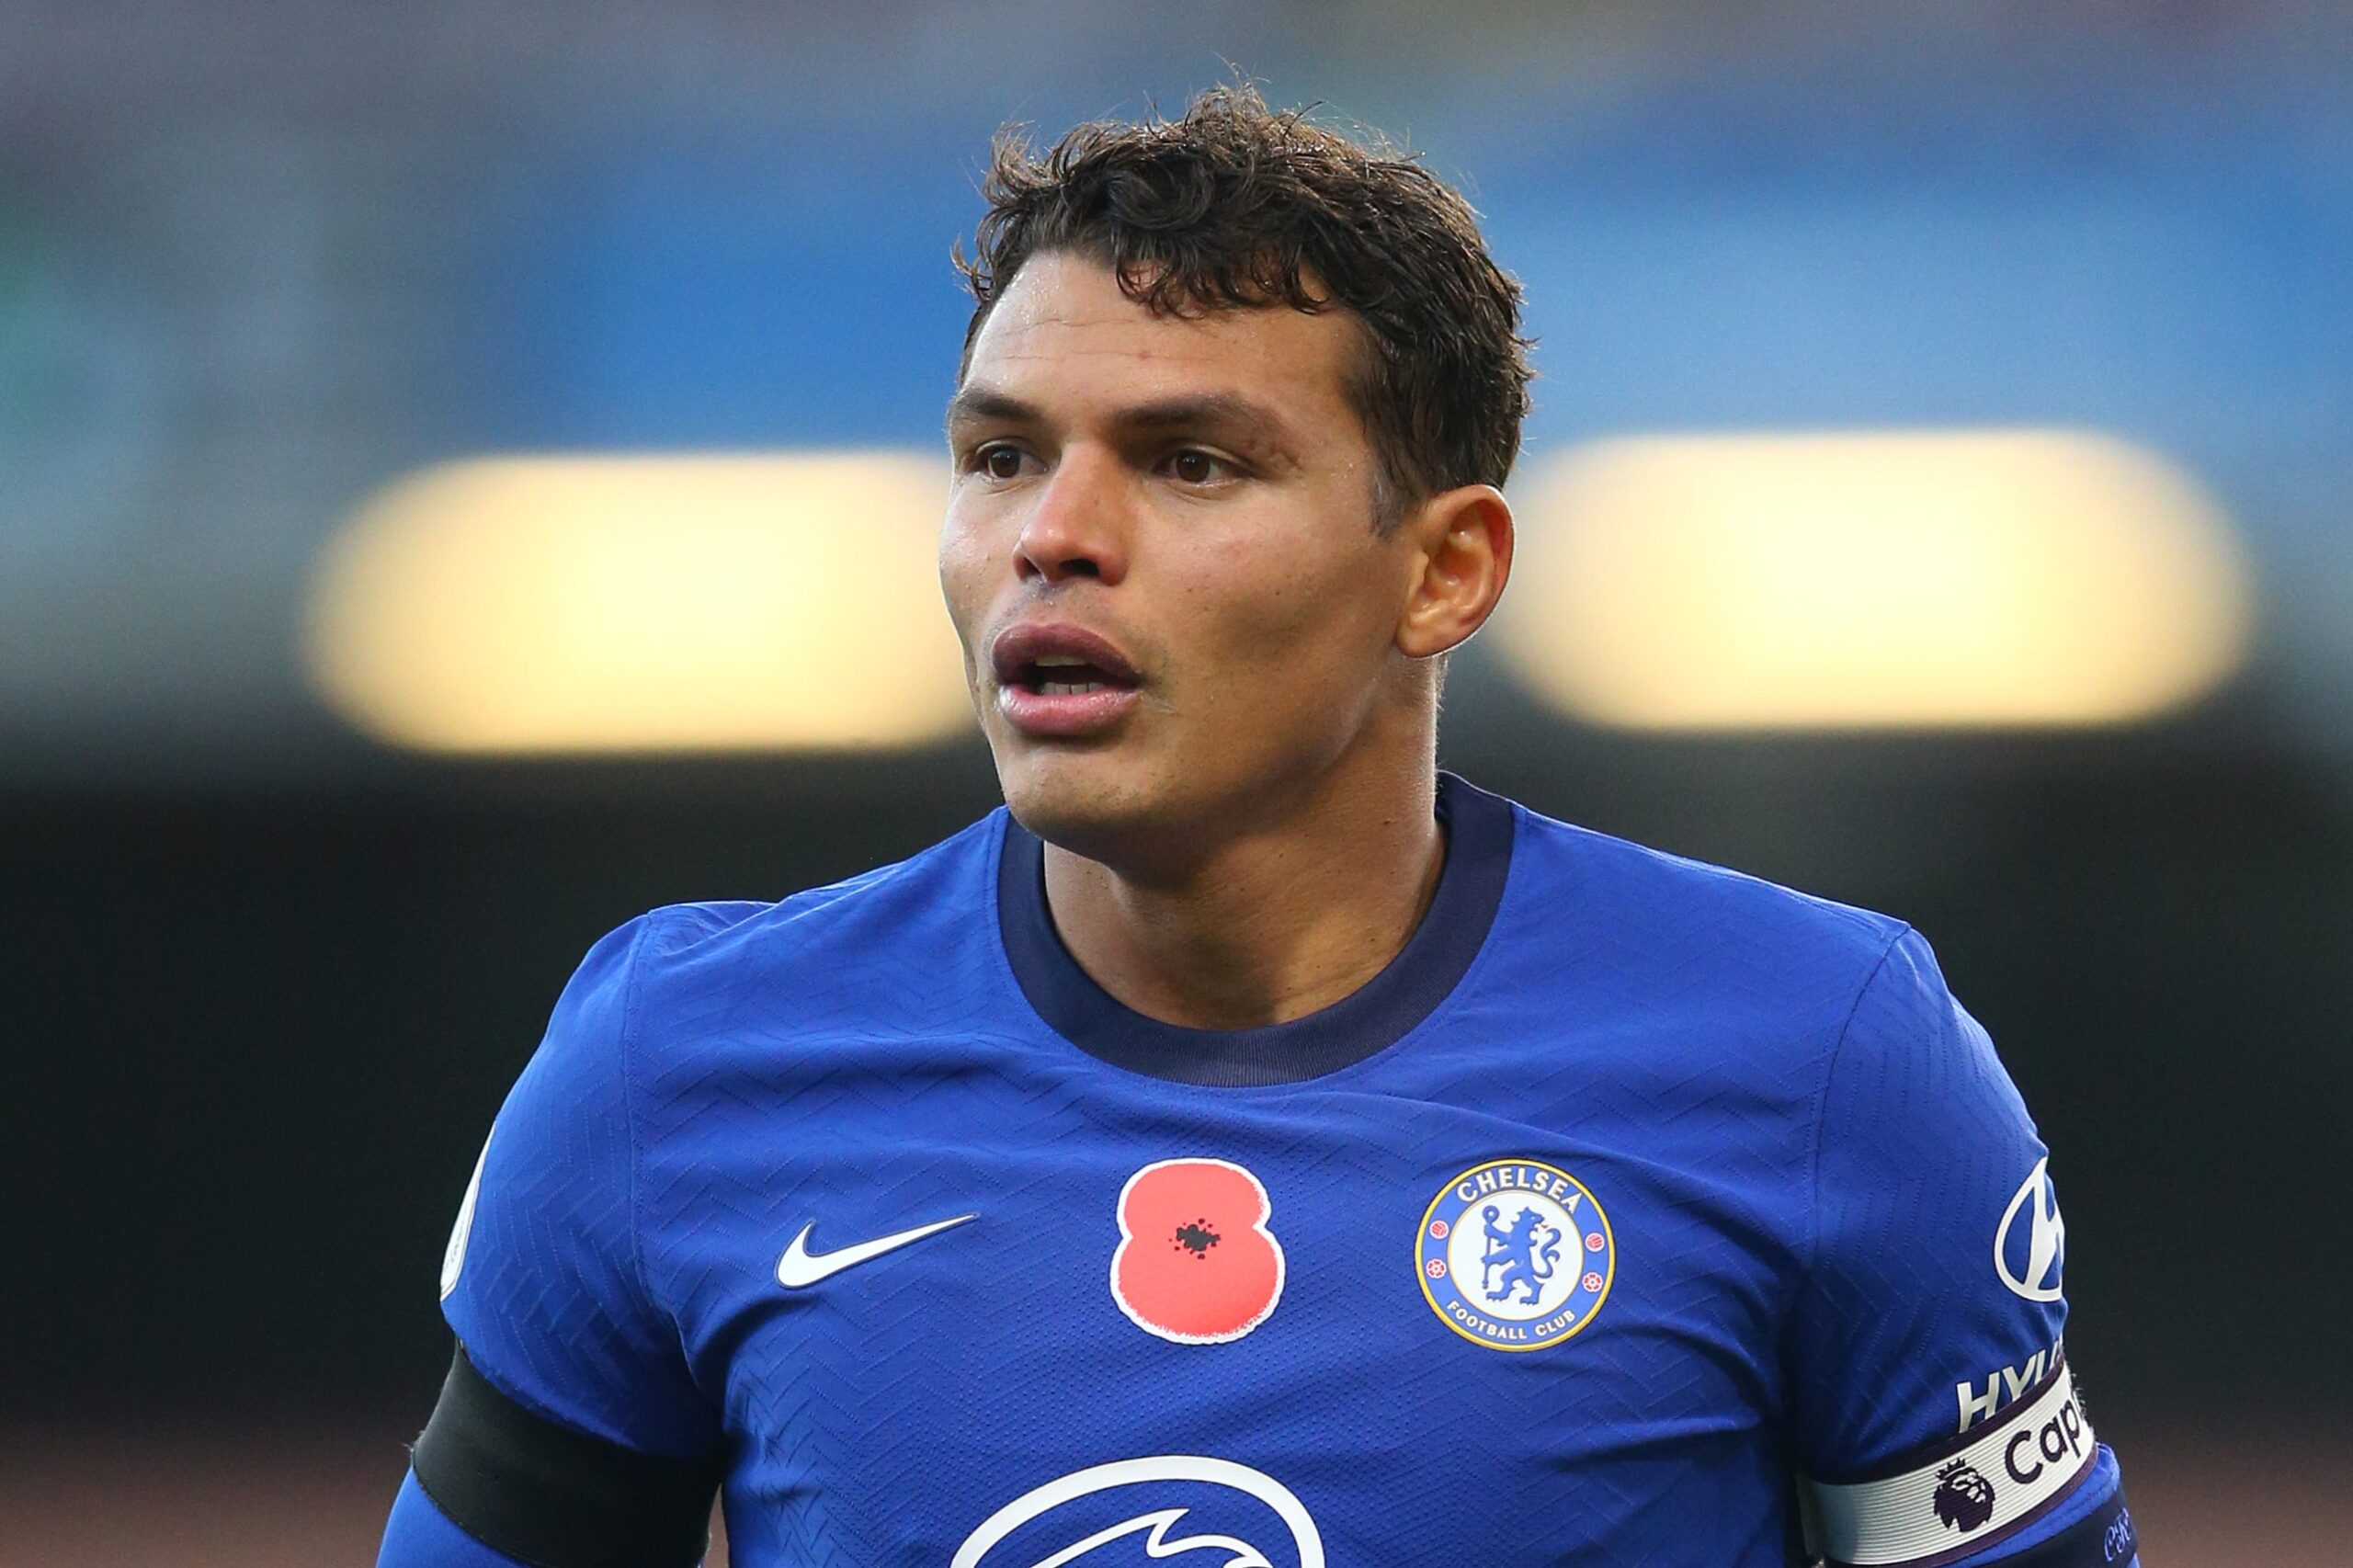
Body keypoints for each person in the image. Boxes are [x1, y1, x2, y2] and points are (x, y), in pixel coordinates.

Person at [377, 85, 2137, 1568]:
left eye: (1190, 461)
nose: (1054, 535)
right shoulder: (676, 1067)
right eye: (1000, 456)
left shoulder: (1824, 1061)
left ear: (1444, 571)